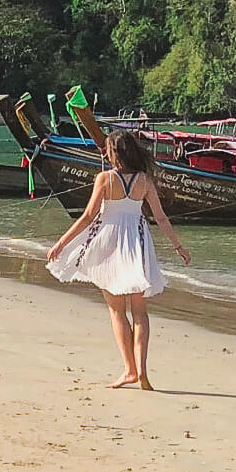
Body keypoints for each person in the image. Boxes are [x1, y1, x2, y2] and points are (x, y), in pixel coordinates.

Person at [46, 129, 190, 390]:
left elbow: (88, 217)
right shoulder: (144, 180)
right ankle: (142, 372)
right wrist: (178, 246)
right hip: (137, 243)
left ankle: (129, 370)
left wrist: (61, 243)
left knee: (116, 310)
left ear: (112, 153)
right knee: (140, 313)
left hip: (109, 244)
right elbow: (160, 217)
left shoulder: (104, 179)